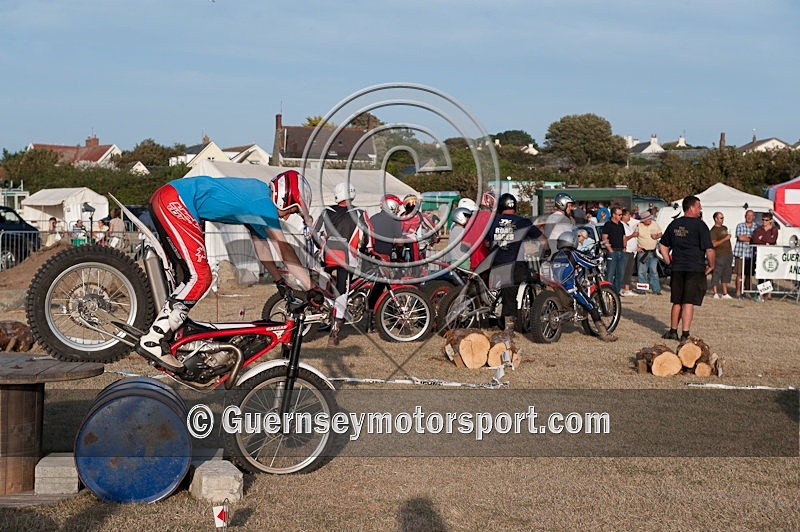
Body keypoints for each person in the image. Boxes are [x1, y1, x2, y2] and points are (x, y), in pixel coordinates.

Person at [137, 171, 313, 369]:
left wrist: (279, 281)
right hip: (175, 200)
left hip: (169, 197)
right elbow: (284, 248)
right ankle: (153, 340)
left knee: (187, 278)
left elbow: (263, 250)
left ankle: (173, 332)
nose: (289, 216)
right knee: (201, 277)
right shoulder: (263, 203)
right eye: (293, 210)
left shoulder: (256, 198)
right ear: (285, 198)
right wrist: (311, 288)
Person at [315, 182, 373, 346]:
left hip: (326, 256)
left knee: (322, 286)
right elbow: (368, 236)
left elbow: (314, 231)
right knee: (343, 291)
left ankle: (322, 313)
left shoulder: (326, 211)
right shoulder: (359, 213)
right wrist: (366, 250)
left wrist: (321, 248)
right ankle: (335, 330)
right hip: (347, 259)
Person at [485, 193, 546, 334]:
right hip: (513, 264)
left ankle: (492, 316)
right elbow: (542, 240)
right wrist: (545, 252)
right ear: (515, 207)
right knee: (514, 288)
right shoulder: (523, 222)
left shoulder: (493, 221)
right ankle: (509, 325)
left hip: (492, 264)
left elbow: (487, 242)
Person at [658, 195, 714, 341]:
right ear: (691, 208)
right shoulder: (701, 226)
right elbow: (709, 250)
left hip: (677, 267)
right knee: (688, 301)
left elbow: (663, 245)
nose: (700, 209)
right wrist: (711, 265)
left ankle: (672, 330)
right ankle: (685, 334)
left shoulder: (674, 224)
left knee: (677, 301)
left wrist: (668, 261)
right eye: (698, 206)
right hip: (694, 268)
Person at [549, 231, 618, 342]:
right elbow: (590, 262)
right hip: (570, 289)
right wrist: (599, 258)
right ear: (573, 241)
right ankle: (604, 334)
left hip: (554, 287)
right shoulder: (574, 254)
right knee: (592, 305)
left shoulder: (555, 255)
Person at [461, 192, 496, 271]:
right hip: (489, 263)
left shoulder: (472, 219)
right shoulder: (493, 218)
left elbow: (464, 243)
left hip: (475, 263)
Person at [750, 212, 779, 301]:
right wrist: (766, 242)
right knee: (761, 274)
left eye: (766, 220)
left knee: (769, 273)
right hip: (759, 255)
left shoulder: (774, 229)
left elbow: (773, 240)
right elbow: (755, 239)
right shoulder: (758, 229)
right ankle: (761, 293)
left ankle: (769, 293)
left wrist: (761, 238)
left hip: (770, 255)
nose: (764, 222)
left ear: (770, 221)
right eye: (763, 220)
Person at [635, 212, 663, 295]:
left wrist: (657, 236)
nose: (650, 220)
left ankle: (656, 290)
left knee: (654, 271)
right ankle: (642, 290)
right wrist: (637, 247)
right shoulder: (638, 226)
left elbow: (660, 233)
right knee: (641, 272)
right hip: (643, 253)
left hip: (652, 252)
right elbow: (633, 237)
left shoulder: (655, 224)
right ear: (643, 220)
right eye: (648, 219)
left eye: (650, 218)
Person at [601, 206, 626, 295]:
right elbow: (604, 238)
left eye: (621, 215)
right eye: (619, 215)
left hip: (620, 251)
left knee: (620, 273)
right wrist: (610, 249)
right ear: (613, 215)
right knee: (610, 273)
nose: (621, 216)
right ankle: (608, 292)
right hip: (612, 251)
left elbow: (623, 237)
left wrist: (624, 247)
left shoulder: (621, 225)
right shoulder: (608, 225)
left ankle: (616, 292)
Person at [709, 212, 733, 299]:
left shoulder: (724, 228)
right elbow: (714, 244)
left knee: (726, 273)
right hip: (719, 255)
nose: (722, 219)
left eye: (723, 218)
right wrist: (725, 238)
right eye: (721, 218)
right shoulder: (713, 231)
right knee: (717, 273)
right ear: (716, 219)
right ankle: (715, 292)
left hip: (728, 254)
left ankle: (724, 293)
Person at [733, 210, 757, 298]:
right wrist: (751, 238)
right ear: (745, 216)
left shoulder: (756, 227)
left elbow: (756, 239)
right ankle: (738, 291)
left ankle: (747, 290)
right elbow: (740, 238)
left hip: (751, 254)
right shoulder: (740, 226)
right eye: (748, 215)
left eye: (751, 215)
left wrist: (747, 237)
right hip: (740, 253)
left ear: (754, 217)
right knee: (739, 274)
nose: (749, 217)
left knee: (748, 275)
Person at [620, 209, 640, 297]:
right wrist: (633, 235)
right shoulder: (621, 226)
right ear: (623, 216)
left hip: (632, 251)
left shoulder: (628, 225)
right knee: (624, 270)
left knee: (629, 271)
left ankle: (627, 288)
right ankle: (623, 288)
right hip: (626, 251)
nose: (629, 217)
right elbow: (624, 239)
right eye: (628, 215)